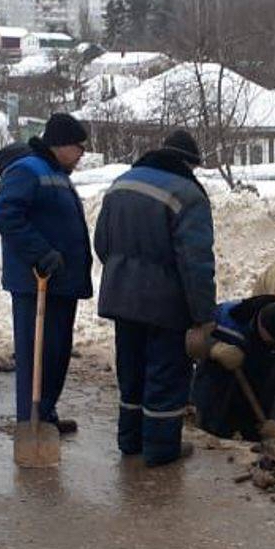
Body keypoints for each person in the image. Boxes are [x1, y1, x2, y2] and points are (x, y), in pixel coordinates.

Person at [94, 129, 216, 467]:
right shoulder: (188, 195)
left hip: (121, 298)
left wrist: (123, 274)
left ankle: (130, 440)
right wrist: (203, 314)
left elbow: (102, 243)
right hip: (165, 305)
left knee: (130, 370)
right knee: (166, 375)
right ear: (189, 164)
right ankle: (161, 449)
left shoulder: (121, 183)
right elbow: (196, 263)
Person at [0, 113, 93, 435]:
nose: (82, 154)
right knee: (37, 355)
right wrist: (40, 252)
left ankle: (45, 414)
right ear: (61, 145)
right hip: (36, 282)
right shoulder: (28, 170)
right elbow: (4, 213)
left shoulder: (55, 172)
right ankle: (30, 422)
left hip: (61, 282)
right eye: (78, 147)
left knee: (56, 354)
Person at [191, 296, 275, 442]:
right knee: (211, 446)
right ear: (261, 325)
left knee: (255, 453)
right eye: (274, 340)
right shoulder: (228, 316)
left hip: (256, 405)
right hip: (216, 396)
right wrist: (214, 347)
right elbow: (189, 338)